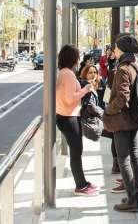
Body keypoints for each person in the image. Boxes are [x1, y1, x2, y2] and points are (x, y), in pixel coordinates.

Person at [104, 34, 138, 212]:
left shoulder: (123, 68)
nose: (114, 49)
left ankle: (131, 200)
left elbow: (122, 97)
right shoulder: (134, 64)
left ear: (120, 49)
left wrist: (108, 110)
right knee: (134, 156)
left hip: (122, 121)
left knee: (124, 159)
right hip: (133, 119)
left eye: (115, 47)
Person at [55, 45, 97, 196]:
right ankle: (80, 186)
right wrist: (86, 89)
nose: (79, 60)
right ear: (73, 59)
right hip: (69, 117)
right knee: (76, 152)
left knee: (76, 151)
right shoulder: (68, 75)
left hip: (66, 116)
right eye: (77, 57)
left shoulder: (63, 73)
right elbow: (69, 98)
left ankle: (82, 183)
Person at [79, 64, 120, 179]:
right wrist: (105, 114)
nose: (93, 75)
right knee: (114, 133)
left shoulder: (94, 84)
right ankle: (116, 166)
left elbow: (104, 99)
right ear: (85, 74)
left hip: (94, 119)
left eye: (95, 72)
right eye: (90, 72)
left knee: (114, 133)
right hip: (89, 121)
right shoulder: (86, 85)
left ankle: (116, 166)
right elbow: (90, 106)